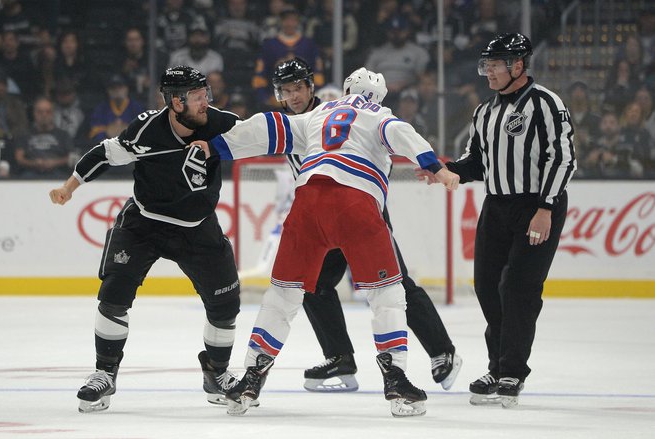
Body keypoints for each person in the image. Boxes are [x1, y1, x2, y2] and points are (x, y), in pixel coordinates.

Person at [191, 67, 460, 417]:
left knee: (283, 295)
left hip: (307, 204)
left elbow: (268, 127)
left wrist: (215, 148)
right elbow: (399, 133)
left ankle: (251, 379)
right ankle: (396, 380)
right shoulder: (377, 113)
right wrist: (436, 167)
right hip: (356, 204)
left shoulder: (318, 113)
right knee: (388, 293)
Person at [48, 66, 244, 413]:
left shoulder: (222, 123)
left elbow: (262, 135)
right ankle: (104, 374)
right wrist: (68, 187)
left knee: (226, 305)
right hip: (144, 223)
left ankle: (217, 374)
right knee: (113, 296)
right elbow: (104, 154)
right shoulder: (146, 130)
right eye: (198, 97)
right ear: (175, 102)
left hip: (198, 226)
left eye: (206, 95)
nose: (206, 102)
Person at [269, 57, 462, 394]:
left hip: (359, 210)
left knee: (393, 284)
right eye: (286, 91)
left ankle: (442, 350)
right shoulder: (291, 123)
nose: (293, 95)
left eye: (297, 88)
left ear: (311, 87)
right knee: (312, 286)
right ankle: (340, 356)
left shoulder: (334, 110)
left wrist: (429, 164)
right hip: (322, 214)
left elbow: (385, 139)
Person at [444, 33, 576, 408]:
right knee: (486, 285)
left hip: (536, 206)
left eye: (495, 64)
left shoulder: (547, 103)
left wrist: (546, 207)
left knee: (518, 288)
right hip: (496, 208)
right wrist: (448, 170)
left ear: (518, 65)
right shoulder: (484, 111)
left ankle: (512, 371)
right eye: (485, 64)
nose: (487, 72)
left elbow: (563, 158)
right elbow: (477, 161)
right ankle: (496, 364)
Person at [14, 96, 72, 178]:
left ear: (53, 114)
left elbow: (71, 157)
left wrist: (54, 163)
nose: (44, 115)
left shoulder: (63, 135)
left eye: (48, 112)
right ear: (34, 113)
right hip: (30, 174)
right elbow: (19, 158)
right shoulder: (24, 135)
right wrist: (34, 163)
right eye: (40, 112)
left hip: (58, 174)